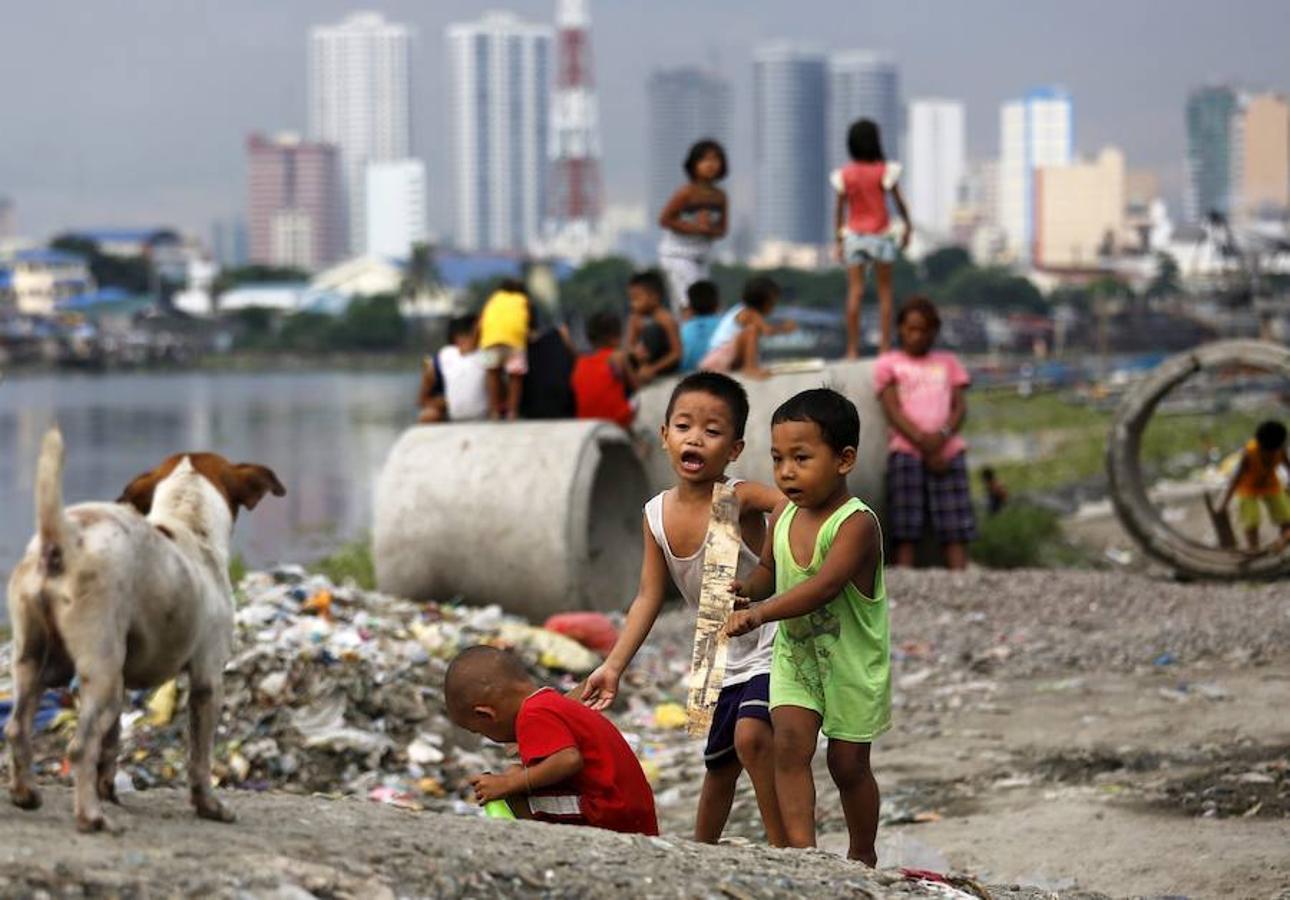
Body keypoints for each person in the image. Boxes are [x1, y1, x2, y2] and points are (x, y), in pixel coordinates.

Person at [582, 372, 787, 847]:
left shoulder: (736, 498)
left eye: (712, 431)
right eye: (684, 426)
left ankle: (787, 850)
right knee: (718, 765)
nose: (695, 438)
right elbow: (649, 597)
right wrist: (612, 667)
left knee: (753, 739)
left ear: (733, 449)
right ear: (664, 437)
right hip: (714, 654)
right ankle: (701, 851)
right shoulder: (655, 514)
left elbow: (794, 507)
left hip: (772, 642)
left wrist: (771, 567)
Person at [725, 388, 890, 866]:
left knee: (847, 764)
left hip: (852, 665)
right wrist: (747, 590)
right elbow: (769, 574)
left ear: (844, 459)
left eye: (801, 457)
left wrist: (760, 612)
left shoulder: (856, 524)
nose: (786, 472)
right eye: (777, 459)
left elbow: (822, 587)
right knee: (790, 747)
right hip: (796, 658)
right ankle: (805, 856)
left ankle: (863, 854)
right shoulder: (783, 515)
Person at [445, 645, 659, 836]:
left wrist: (508, 784)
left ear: (487, 715)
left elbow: (568, 760)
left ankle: (538, 843)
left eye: (481, 731)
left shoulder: (532, 714)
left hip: (610, 812)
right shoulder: (550, 702)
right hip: (630, 808)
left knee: (514, 792)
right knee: (516, 775)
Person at [875, 296, 976, 570]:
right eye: (910, 329)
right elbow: (892, 409)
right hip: (907, 450)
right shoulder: (889, 363)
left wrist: (941, 436)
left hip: (948, 450)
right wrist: (923, 442)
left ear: (933, 332)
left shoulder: (948, 362)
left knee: (955, 523)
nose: (916, 336)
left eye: (923, 330)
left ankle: (960, 576)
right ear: (900, 330)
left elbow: (960, 407)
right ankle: (907, 577)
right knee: (906, 524)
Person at [832, 118, 912, 358]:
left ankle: (852, 348)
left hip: (854, 235)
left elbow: (840, 209)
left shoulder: (845, 175)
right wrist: (908, 226)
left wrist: (838, 239)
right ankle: (884, 346)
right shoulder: (885, 171)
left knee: (854, 292)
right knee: (884, 293)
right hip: (881, 235)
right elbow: (898, 202)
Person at [658, 139, 729, 315]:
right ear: (694, 165)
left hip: (701, 256)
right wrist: (695, 228)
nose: (711, 165)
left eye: (715, 160)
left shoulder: (720, 197)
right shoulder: (687, 193)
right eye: (705, 160)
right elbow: (665, 219)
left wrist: (709, 230)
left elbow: (722, 229)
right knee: (689, 302)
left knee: (704, 303)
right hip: (679, 255)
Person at [698, 275, 796, 378]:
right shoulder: (749, 313)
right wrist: (785, 327)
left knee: (751, 332)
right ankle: (750, 368)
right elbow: (767, 331)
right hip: (719, 357)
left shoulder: (741, 309)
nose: (774, 307)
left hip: (721, 357)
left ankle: (750, 366)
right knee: (751, 331)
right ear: (766, 302)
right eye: (773, 303)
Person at [1219, 419, 1290, 552]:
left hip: (1270, 484)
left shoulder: (1280, 450)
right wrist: (1224, 503)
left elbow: (1288, 467)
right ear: (1260, 445)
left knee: (1286, 517)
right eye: (1266, 451)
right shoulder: (1249, 454)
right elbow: (1235, 480)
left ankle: (1282, 544)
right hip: (1248, 487)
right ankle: (1253, 549)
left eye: (1272, 452)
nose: (1269, 455)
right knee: (1251, 522)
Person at [418, 313, 489, 424]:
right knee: (429, 415)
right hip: (452, 414)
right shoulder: (442, 358)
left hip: (486, 414)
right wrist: (448, 402)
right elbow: (422, 400)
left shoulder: (486, 354)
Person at [572, 310, 638, 429]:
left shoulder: (579, 363)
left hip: (587, 425)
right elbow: (637, 388)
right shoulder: (617, 356)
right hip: (617, 422)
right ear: (616, 337)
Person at [478, 279, 531, 420]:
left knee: (492, 375)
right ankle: (512, 412)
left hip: (490, 342)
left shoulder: (493, 300)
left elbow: (481, 323)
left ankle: (494, 412)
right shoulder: (523, 300)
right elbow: (528, 326)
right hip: (514, 342)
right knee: (515, 377)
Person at [625, 270, 682, 384]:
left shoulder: (666, 319)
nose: (632, 304)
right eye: (631, 299)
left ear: (654, 297)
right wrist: (635, 352)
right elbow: (629, 346)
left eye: (636, 299)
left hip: (664, 364)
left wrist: (653, 368)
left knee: (652, 331)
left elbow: (676, 353)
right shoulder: (635, 319)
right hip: (643, 362)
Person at [679, 280, 722, 373]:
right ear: (717, 303)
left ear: (690, 306)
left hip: (687, 371)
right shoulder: (723, 325)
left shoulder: (683, 330)